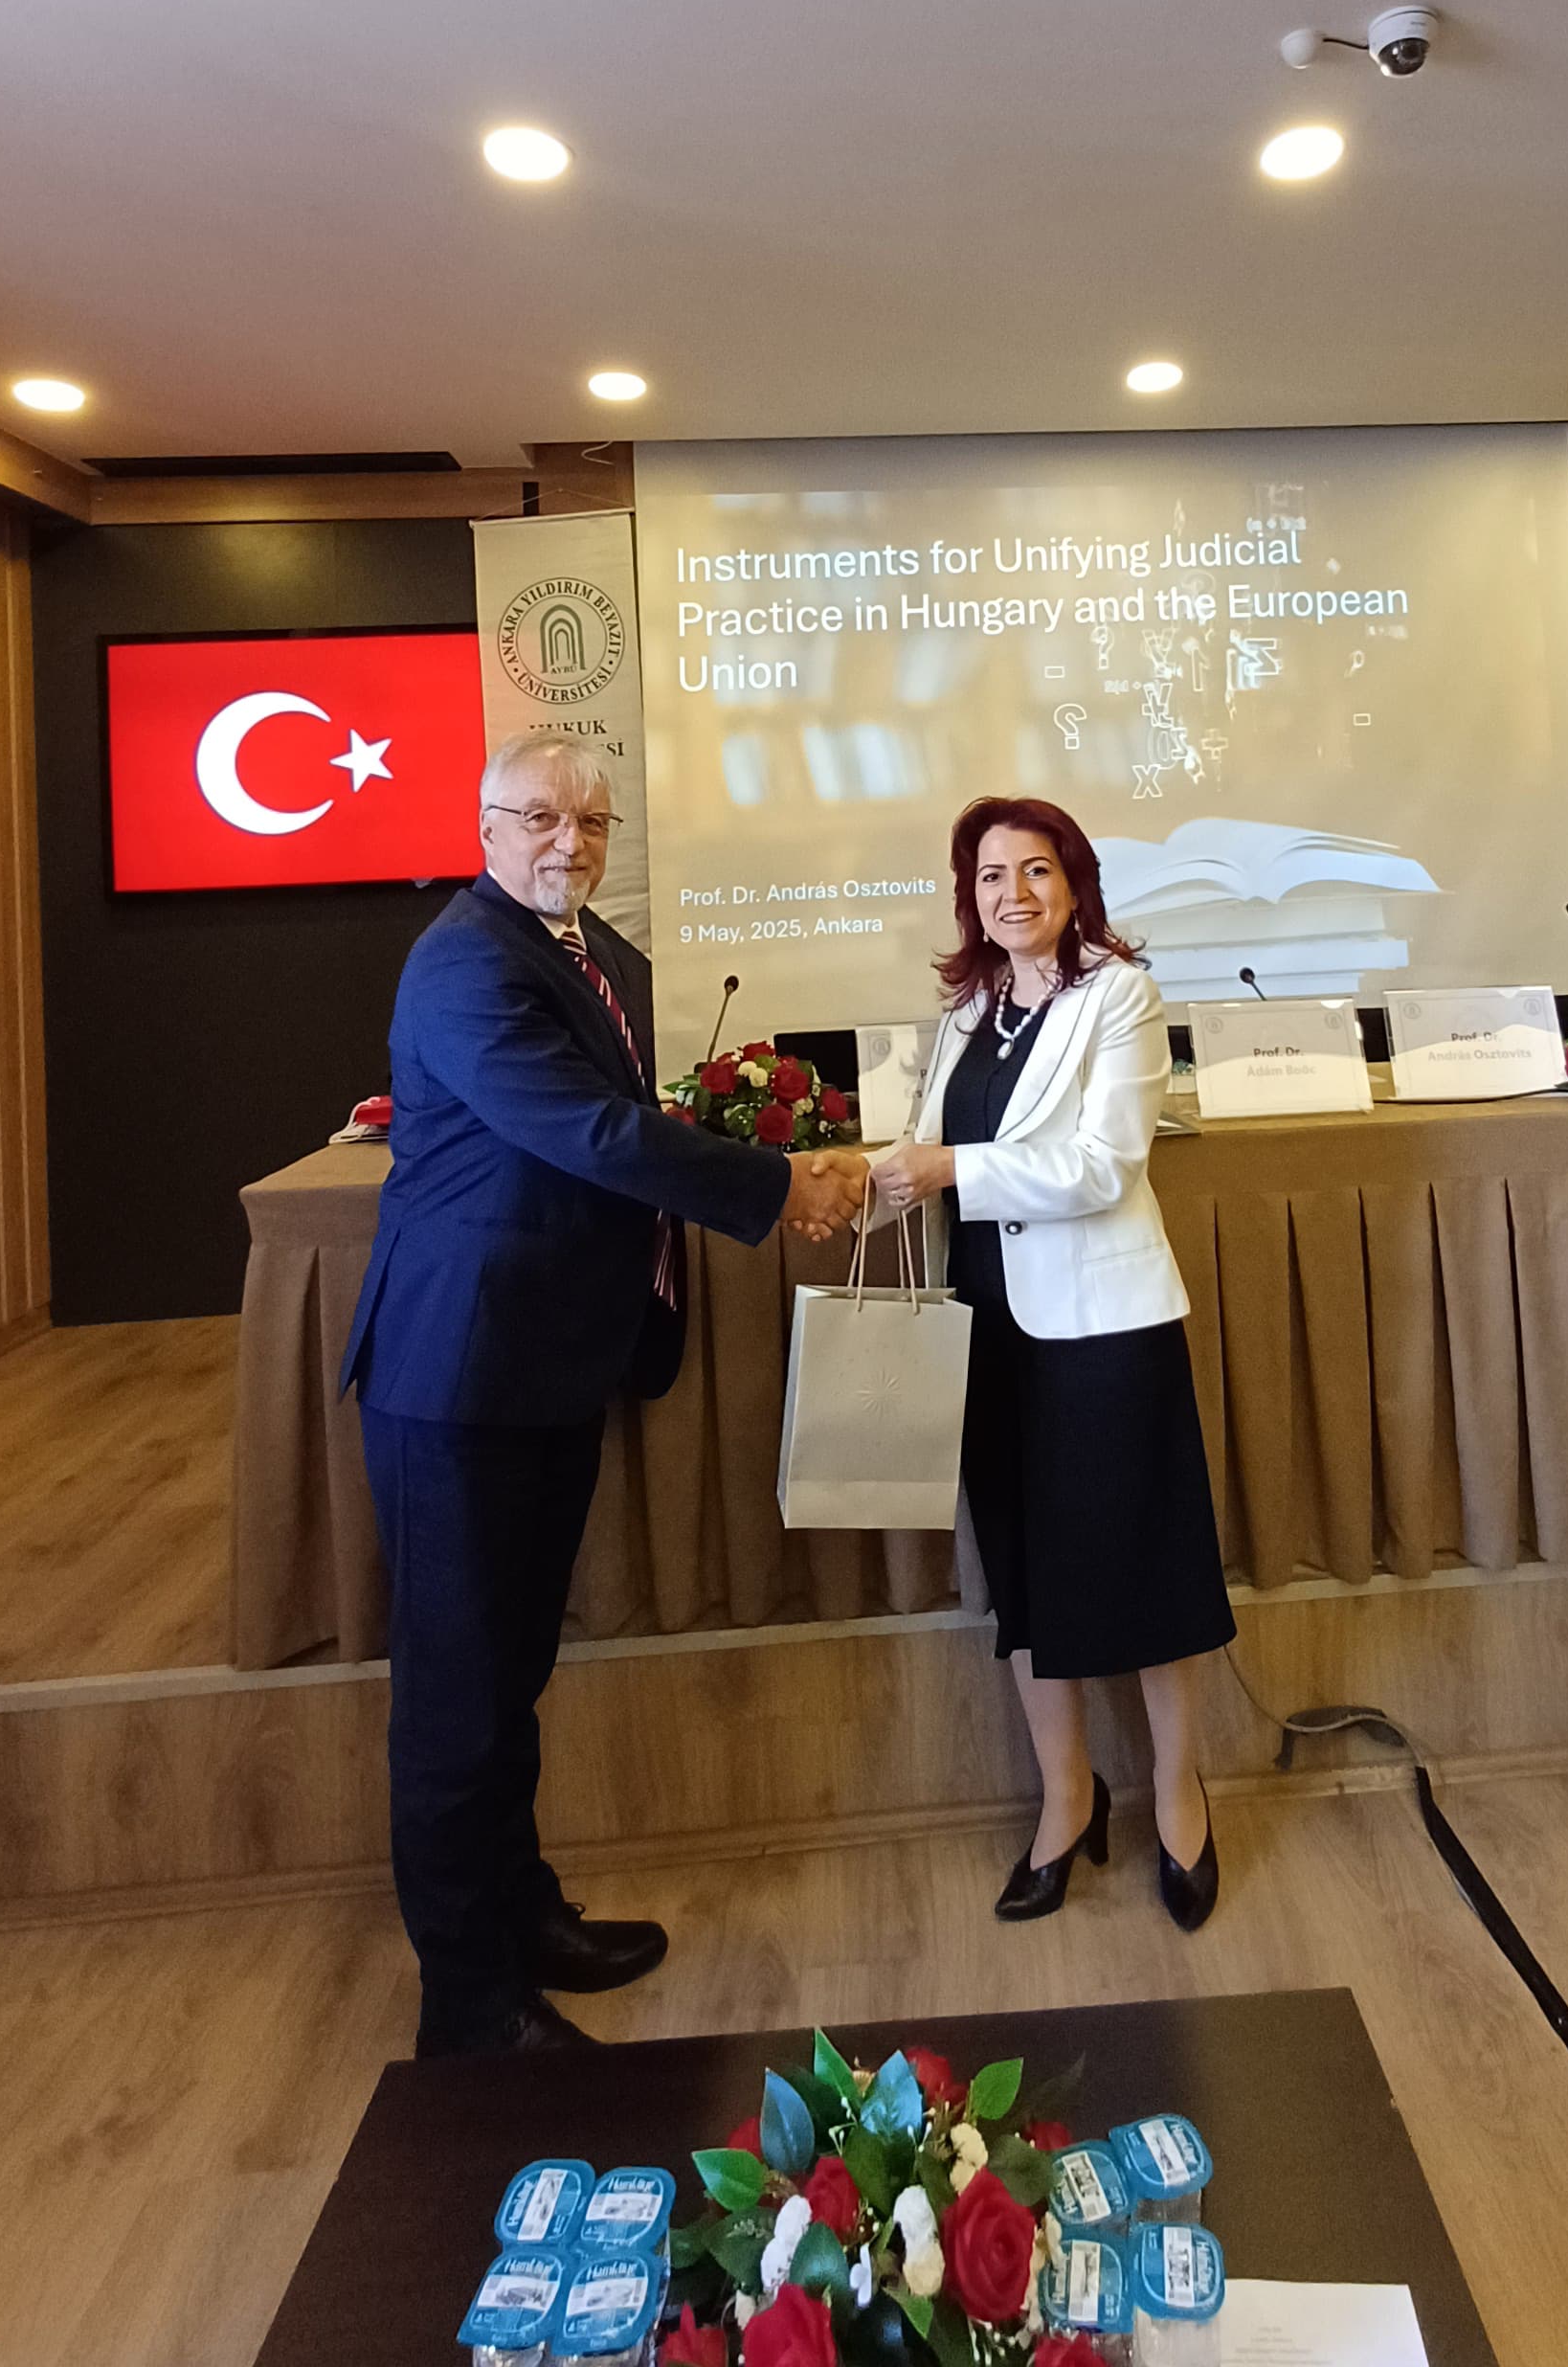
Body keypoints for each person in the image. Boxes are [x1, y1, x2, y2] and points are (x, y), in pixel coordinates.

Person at [340, 731, 867, 2056]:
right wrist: (778, 1186)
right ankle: (468, 2004)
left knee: (509, 1676)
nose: (567, 843)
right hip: (457, 1380)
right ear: (485, 828)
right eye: (538, 818)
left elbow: (621, 1118)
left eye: (590, 823)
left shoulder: (596, 953)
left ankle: (522, 1917)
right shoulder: (465, 961)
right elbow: (587, 1131)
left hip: (542, 1369)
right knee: (457, 1703)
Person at [870, 795, 1233, 1932]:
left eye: (1035, 870)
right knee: (1025, 1576)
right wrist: (867, 1183)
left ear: (1074, 885)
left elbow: (1102, 1167)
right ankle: (1067, 1798)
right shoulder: (967, 1007)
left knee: (1145, 1567)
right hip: (986, 1325)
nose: (1011, 894)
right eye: (990, 876)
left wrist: (947, 1170)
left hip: (1102, 1332)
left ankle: (1179, 1793)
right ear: (968, 896)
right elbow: (931, 1149)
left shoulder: (1120, 995)